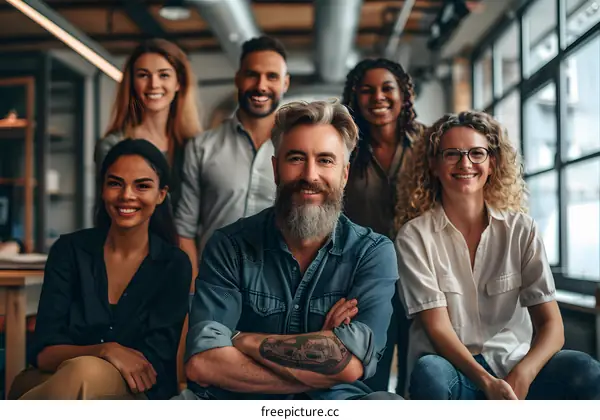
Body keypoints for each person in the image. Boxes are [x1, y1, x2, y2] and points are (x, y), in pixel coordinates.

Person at [175, 100, 401, 400]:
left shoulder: (372, 253)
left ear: (344, 175)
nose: (310, 175)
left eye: (325, 160)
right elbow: (204, 363)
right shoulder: (230, 245)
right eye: (296, 158)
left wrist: (240, 340)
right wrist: (322, 350)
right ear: (276, 168)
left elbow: (350, 365)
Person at [394, 111, 600, 400]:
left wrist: (523, 373)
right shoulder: (414, 237)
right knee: (430, 372)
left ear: (492, 163)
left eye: (477, 153)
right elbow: (437, 329)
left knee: (585, 370)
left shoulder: (521, 229)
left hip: (514, 363)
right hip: (452, 369)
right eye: (452, 154)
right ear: (434, 165)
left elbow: (553, 327)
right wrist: (487, 383)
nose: (465, 163)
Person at [8, 139, 191, 400]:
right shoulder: (69, 250)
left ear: (161, 194)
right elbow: (44, 351)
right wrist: (105, 350)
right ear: (103, 189)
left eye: (142, 186)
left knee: (85, 373)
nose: (127, 195)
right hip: (54, 376)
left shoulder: (174, 265)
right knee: (74, 373)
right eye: (115, 183)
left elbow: (150, 367)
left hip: (135, 392)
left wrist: (93, 360)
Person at [175, 35, 290, 281]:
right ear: (238, 78)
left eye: (272, 77)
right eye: (252, 74)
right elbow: (184, 229)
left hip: (281, 288)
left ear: (285, 83)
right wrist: (196, 289)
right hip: (215, 285)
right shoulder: (202, 147)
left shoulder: (297, 150)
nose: (261, 85)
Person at [340, 58, 423, 395]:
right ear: (355, 97)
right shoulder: (345, 147)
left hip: (423, 276)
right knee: (368, 373)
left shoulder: (428, 143)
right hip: (365, 280)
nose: (378, 97)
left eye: (387, 88)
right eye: (367, 90)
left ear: (403, 94)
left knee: (420, 374)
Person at [95, 39, 202, 212]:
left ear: (178, 83)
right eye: (143, 75)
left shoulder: (196, 146)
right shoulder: (112, 146)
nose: (154, 84)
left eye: (164, 75)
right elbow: (107, 213)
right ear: (132, 83)